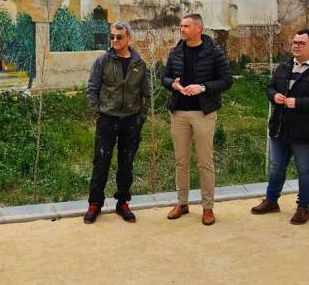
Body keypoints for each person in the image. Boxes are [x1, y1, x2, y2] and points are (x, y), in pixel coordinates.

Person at [251, 29, 309, 225]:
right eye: (294, 42)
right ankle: (271, 201)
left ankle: (303, 207)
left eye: (301, 43)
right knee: (276, 167)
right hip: (280, 127)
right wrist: (274, 96)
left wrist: (300, 103)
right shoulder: (284, 66)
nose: (296, 46)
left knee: (305, 169)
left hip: (307, 130)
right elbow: (270, 87)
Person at [162, 14, 233, 226]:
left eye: (186, 26)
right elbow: (164, 77)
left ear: (198, 28)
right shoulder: (176, 51)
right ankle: (182, 203)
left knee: (205, 162)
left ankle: (208, 208)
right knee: (181, 161)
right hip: (179, 113)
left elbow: (227, 80)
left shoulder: (214, 52)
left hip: (204, 113)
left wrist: (203, 88)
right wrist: (172, 85)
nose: (181, 29)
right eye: (181, 26)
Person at [84, 21, 150, 224]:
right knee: (101, 162)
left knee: (126, 164)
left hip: (131, 120)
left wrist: (141, 116)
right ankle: (95, 204)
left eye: (119, 37)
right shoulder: (103, 60)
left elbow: (145, 93)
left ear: (129, 38)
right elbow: (92, 88)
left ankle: (123, 203)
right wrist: (97, 114)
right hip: (107, 120)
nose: (114, 40)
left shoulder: (139, 63)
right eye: (111, 36)